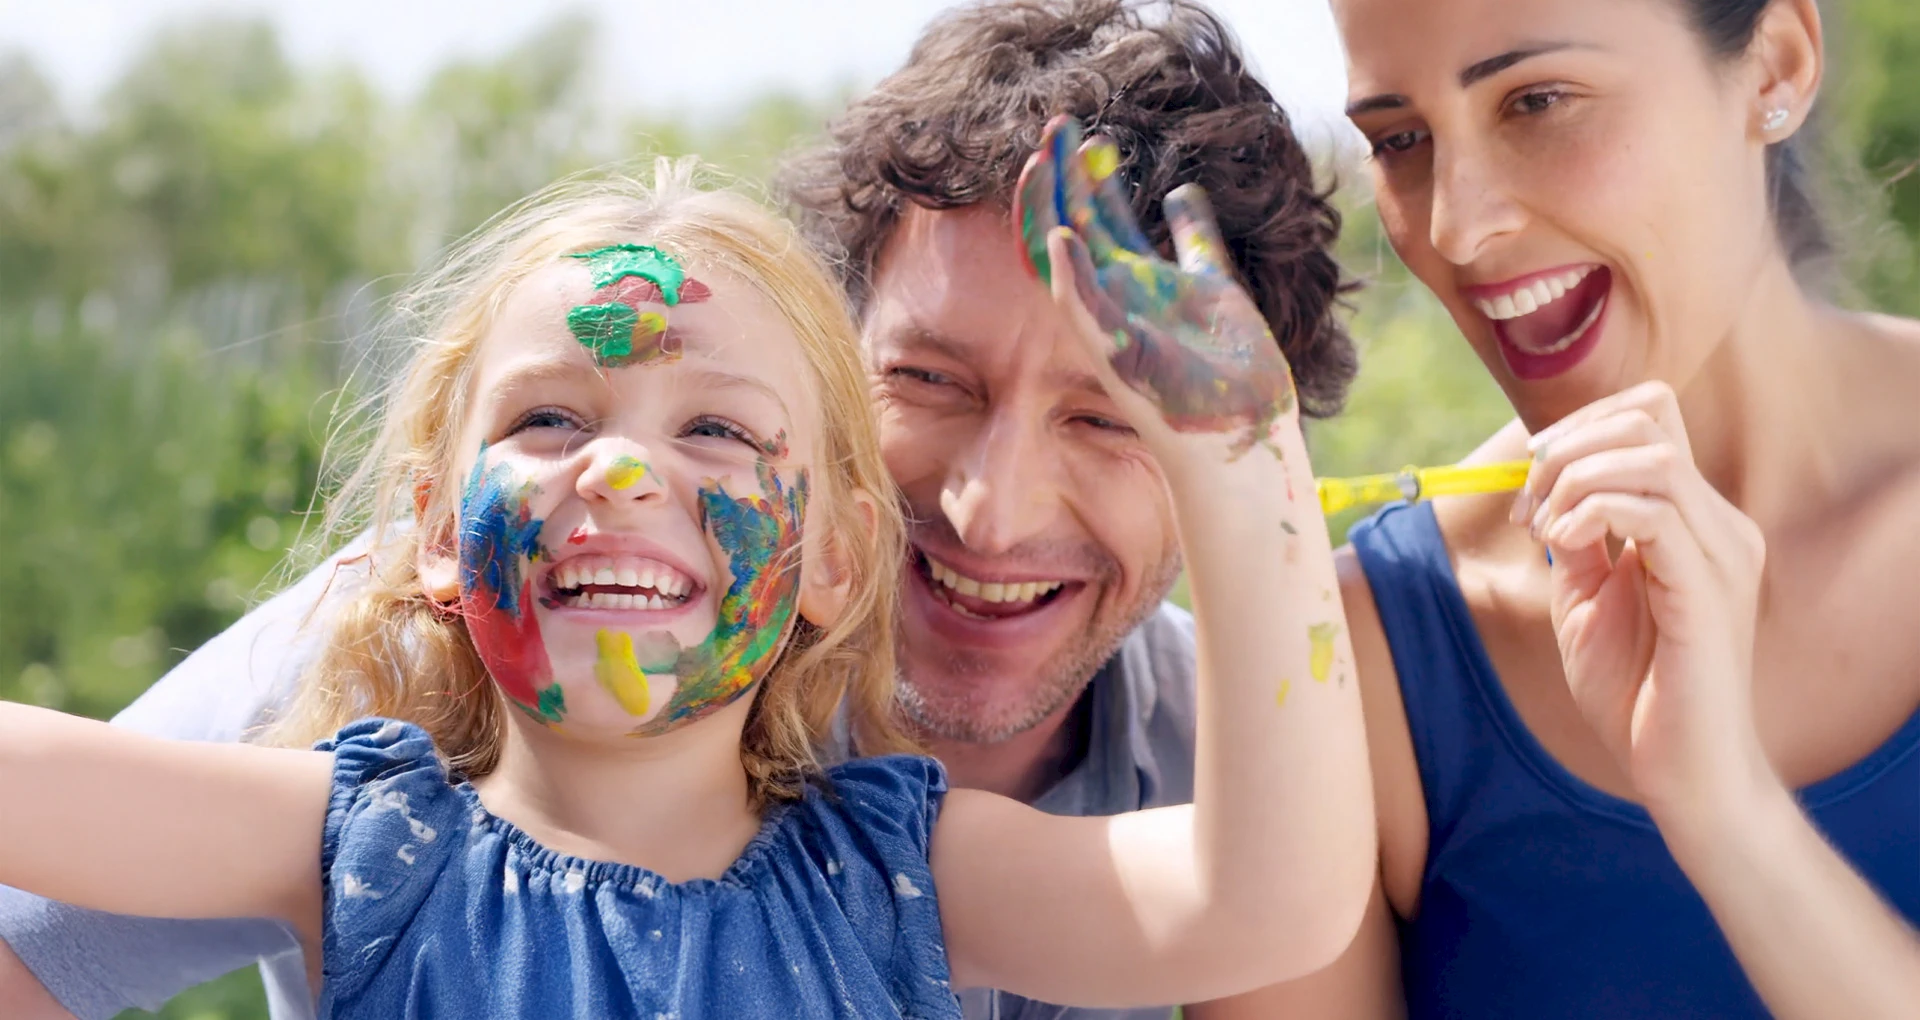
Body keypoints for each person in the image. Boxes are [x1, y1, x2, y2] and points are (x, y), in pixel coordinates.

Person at [0, 3, 1362, 1019]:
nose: (624, 474)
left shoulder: (902, 870)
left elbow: (1272, 902)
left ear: (837, 547)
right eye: (549, 419)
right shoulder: (348, 834)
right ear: (427, 528)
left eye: (715, 429)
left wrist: (1240, 456)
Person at [1192, 0, 1920, 1017]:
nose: (1457, 225)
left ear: (1774, 67)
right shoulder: (1361, 666)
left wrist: (1731, 821)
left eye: (1537, 101)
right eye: (1399, 140)